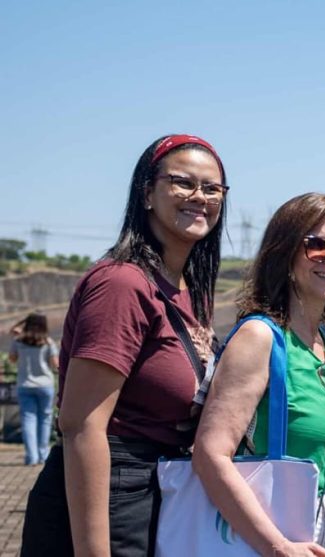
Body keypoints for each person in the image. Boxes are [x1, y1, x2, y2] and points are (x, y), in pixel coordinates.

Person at [21, 134, 228, 556]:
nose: (199, 196)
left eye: (212, 188)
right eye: (183, 182)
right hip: (108, 494)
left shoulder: (188, 291)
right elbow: (81, 425)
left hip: (157, 487)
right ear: (147, 193)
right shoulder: (122, 284)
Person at [193, 193, 325, 556]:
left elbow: (321, 456)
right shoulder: (260, 337)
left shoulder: (320, 343)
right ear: (285, 254)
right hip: (267, 534)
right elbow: (210, 455)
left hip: (319, 523)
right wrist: (278, 547)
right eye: (317, 246)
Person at [8, 312, 58, 465]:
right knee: (45, 419)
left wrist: (16, 333)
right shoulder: (48, 342)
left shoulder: (18, 341)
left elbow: (12, 359)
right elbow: (55, 364)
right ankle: (43, 455)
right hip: (45, 385)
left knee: (28, 419)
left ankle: (31, 457)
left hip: (25, 384)